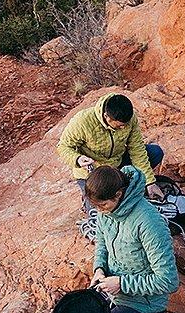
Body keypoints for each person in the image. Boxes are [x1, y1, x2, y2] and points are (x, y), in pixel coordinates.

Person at [86, 164, 178, 313]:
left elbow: (168, 281)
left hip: (145, 307)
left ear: (118, 195)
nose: (99, 211)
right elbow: (102, 244)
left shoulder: (149, 222)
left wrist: (122, 284)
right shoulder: (107, 212)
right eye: (95, 206)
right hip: (114, 297)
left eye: (102, 205)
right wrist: (99, 269)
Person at [57, 93, 165, 224]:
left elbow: (137, 149)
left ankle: (122, 183)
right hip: (93, 172)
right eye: (119, 126)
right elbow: (63, 147)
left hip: (117, 163)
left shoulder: (129, 120)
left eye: (125, 125)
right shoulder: (83, 121)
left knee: (155, 152)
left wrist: (149, 181)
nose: (123, 128)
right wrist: (77, 159)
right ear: (106, 117)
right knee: (100, 215)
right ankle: (89, 197)